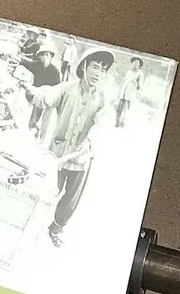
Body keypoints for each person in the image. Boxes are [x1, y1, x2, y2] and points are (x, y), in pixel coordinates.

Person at [20, 48, 114, 247]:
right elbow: (45, 98)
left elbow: (102, 125)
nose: (98, 73)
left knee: (71, 198)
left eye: (103, 70)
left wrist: (89, 141)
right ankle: (31, 225)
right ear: (84, 66)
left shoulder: (102, 99)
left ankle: (55, 229)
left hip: (81, 157)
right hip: (58, 152)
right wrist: (29, 90)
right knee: (46, 190)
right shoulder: (66, 88)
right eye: (95, 67)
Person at [115, 56, 144, 126]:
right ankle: (117, 123)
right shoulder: (129, 71)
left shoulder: (140, 74)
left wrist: (135, 87)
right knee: (119, 108)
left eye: (137, 62)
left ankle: (122, 123)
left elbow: (140, 86)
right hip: (123, 93)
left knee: (126, 109)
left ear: (139, 64)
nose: (135, 64)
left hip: (130, 94)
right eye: (134, 62)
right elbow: (125, 81)